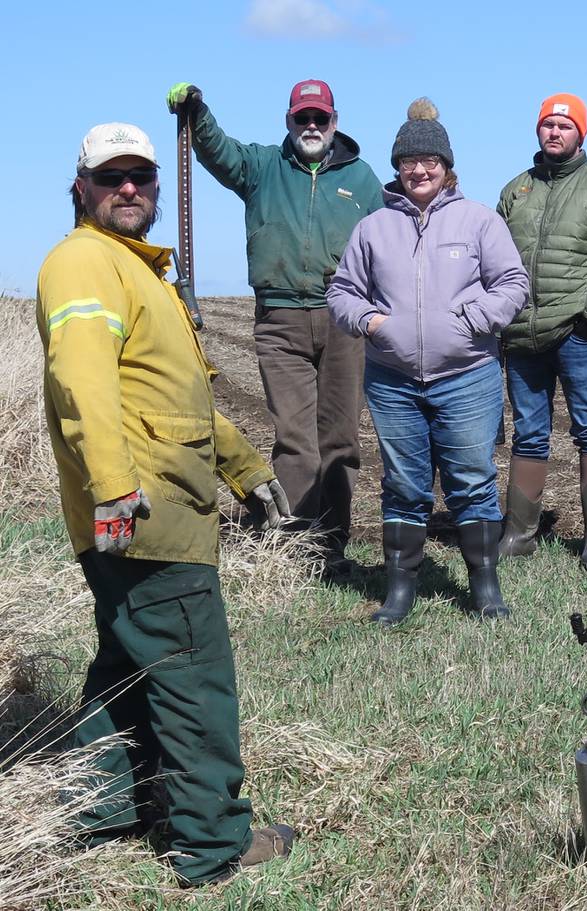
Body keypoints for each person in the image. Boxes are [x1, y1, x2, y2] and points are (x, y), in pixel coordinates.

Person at [37, 122, 295, 885]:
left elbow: (172, 396)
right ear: (80, 188)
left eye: (141, 177)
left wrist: (244, 465)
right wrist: (116, 488)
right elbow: (83, 384)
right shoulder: (85, 263)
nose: (129, 189)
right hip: (148, 515)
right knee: (193, 678)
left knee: (128, 668)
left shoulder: (134, 270)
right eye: (112, 176)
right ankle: (212, 843)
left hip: (149, 510)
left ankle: (94, 815)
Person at [166, 79, 384, 577]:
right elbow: (218, 152)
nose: (311, 126)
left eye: (320, 118)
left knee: (342, 438)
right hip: (278, 320)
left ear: (335, 122)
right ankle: (294, 544)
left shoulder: (363, 179)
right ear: (288, 120)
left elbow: (386, 244)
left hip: (343, 320)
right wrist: (197, 113)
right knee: (294, 436)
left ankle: (332, 544)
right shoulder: (263, 166)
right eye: (301, 118)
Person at [329, 99, 529, 626]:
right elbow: (343, 292)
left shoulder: (479, 220)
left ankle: (485, 589)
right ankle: (400, 593)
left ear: (446, 167)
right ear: (397, 167)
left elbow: (513, 284)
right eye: (409, 162)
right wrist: (373, 323)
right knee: (404, 484)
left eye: (430, 162)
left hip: (467, 376)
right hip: (392, 381)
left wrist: (473, 320)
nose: (420, 170)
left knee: (471, 478)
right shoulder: (372, 228)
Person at [496, 93, 587, 570]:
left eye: (564, 126)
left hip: (577, 333)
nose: (554, 132)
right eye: (547, 125)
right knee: (529, 434)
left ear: (581, 133)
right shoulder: (516, 190)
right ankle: (518, 533)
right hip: (522, 336)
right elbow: (491, 260)